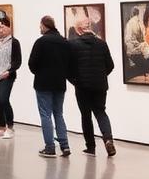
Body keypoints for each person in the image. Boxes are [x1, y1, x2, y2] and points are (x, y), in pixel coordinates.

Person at [67, 16, 116, 157]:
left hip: (82, 87)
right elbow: (110, 65)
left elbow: (68, 68)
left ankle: (91, 147)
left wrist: (75, 81)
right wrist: (101, 76)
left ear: (79, 30)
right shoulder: (102, 44)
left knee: (86, 115)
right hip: (100, 85)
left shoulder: (73, 45)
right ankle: (108, 139)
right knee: (101, 112)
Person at [27, 16, 72, 158]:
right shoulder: (64, 42)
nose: (39, 28)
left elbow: (32, 63)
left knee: (45, 114)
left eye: (40, 26)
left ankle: (50, 147)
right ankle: (65, 146)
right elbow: (70, 63)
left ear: (45, 26)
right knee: (58, 113)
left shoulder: (41, 42)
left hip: (43, 83)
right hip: (60, 83)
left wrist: (40, 73)